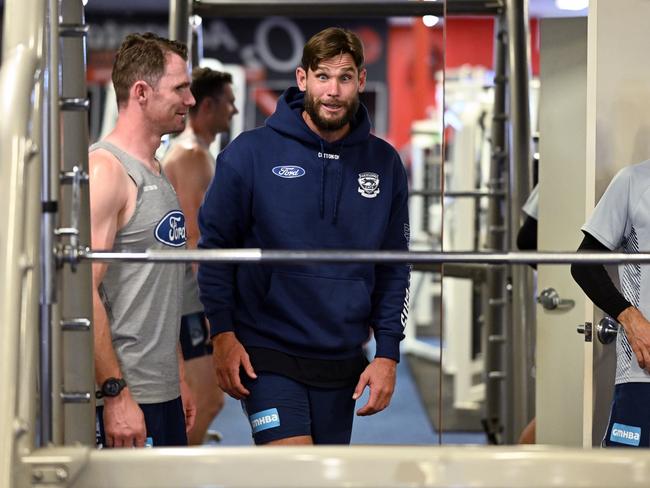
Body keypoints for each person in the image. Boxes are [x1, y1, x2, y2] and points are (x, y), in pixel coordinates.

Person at [197, 27, 410, 446]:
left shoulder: (384, 163)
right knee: (295, 472)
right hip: (267, 352)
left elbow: (394, 267)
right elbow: (216, 251)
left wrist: (387, 352)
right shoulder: (249, 154)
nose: (333, 90)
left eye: (345, 77)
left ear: (361, 81)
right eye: (323, 77)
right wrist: (221, 334)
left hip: (342, 356)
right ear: (302, 79)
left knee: (324, 474)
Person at [89, 32, 196, 448]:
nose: (190, 100)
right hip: (125, 396)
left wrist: (179, 375)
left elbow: (159, 286)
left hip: (161, 391)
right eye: (180, 88)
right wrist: (114, 394)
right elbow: (84, 291)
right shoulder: (107, 171)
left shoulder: (153, 167)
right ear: (141, 92)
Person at [162, 67, 238, 445]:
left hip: (188, 297)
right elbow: (192, 238)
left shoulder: (201, 155)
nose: (235, 111)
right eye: (230, 103)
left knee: (204, 400)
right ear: (208, 106)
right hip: (189, 300)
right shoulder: (192, 157)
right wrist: (210, 309)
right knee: (207, 400)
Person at [571, 161, 650, 447]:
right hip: (643, 372)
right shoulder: (634, 181)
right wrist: (631, 319)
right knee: (627, 474)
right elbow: (584, 265)